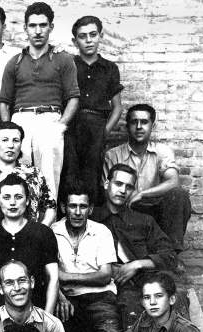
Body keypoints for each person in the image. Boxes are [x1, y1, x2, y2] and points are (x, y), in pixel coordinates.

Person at [0, 1, 80, 195]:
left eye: (43, 25)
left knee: (48, 176)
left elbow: (73, 98)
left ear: (51, 27)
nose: (37, 31)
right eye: (33, 25)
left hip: (50, 119)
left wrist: (61, 125)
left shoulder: (63, 59)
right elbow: (4, 102)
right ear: (25, 28)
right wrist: (8, 128)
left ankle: (48, 214)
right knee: (19, 175)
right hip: (20, 119)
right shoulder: (15, 62)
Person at [91, 164, 180, 330]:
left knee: (174, 300)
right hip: (105, 286)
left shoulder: (143, 220)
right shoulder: (91, 218)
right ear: (106, 184)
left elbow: (170, 256)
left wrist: (137, 264)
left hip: (143, 282)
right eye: (118, 184)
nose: (123, 190)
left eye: (129, 187)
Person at [102, 104, 192, 247]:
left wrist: (142, 194)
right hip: (127, 210)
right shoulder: (113, 155)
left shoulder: (162, 151)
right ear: (127, 126)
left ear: (152, 126)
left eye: (144, 122)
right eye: (134, 122)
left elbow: (173, 182)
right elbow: (107, 191)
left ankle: (172, 253)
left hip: (156, 209)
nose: (139, 127)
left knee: (179, 195)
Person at [52, 181, 120, 332]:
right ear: (63, 207)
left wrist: (65, 277)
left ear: (90, 209)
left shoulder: (101, 231)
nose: (77, 212)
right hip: (67, 299)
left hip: (101, 297)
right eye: (72, 206)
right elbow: (50, 274)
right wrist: (59, 296)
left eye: (83, 207)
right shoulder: (52, 232)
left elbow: (105, 276)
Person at [0, 174, 59, 313]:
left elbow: (53, 278)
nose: (12, 203)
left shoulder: (43, 233)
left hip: (35, 313)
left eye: (18, 197)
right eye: (6, 197)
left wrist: (47, 319)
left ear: (27, 201)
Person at [63, 16, 123, 204]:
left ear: (100, 36)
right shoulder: (68, 65)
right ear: (75, 41)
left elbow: (117, 107)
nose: (88, 40)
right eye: (82, 36)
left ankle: (92, 218)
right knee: (69, 172)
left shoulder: (109, 68)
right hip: (72, 127)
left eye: (93, 35)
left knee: (93, 176)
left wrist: (104, 132)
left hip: (97, 127)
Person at [0, 121, 56, 232]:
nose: (11, 145)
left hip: (30, 237)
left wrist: (41, 230)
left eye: (16, 140)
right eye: (5, 140)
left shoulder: (34, 174)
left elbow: (50, 206)